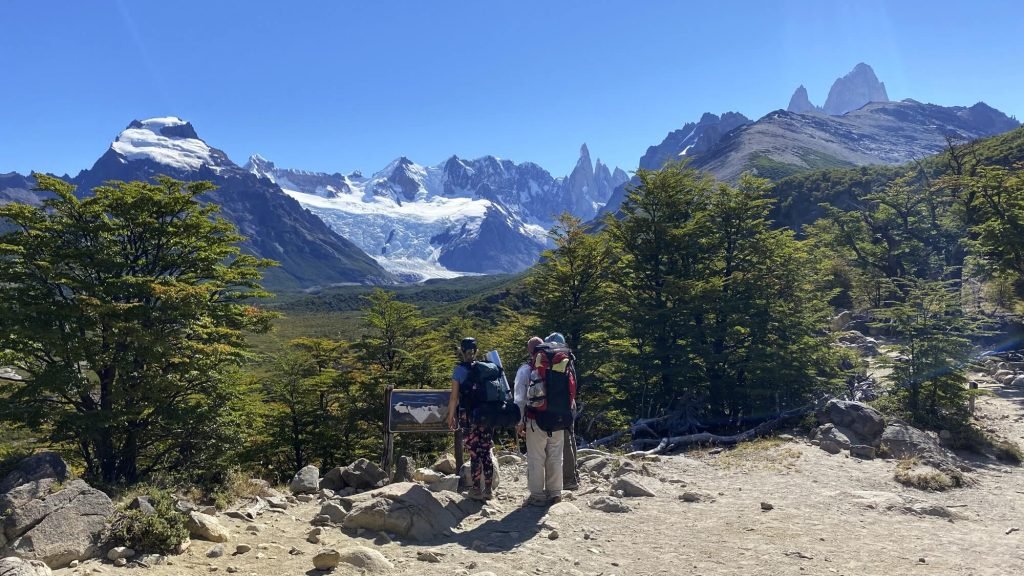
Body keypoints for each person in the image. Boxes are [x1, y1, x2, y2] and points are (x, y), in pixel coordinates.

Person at [514, 336, 574, 506]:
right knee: (555, 455)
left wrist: (519, 422)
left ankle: (537, 495)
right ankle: (555, 493)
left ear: (530, 351)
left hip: (536, 419)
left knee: (536, 457)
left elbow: (520, 399)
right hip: (559, 418)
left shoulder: (526, 370)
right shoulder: (560, 366)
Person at [446, 337, 495, 501]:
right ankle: (488, 489)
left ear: (461, 351)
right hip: (487, 415)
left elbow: (454, 397)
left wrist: (451, 416)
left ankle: (475, 489)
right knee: (486, 451)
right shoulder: (486, 368)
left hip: (468, 417)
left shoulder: (459, 370)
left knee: (475, 453)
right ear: (476, 351)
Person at [546, 332, 580, 490]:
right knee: (570, 438)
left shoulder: (558, 361)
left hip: (562, 406)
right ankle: (574, 474)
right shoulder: (569, 359)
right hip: (570, 404)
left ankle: (569, 479)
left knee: (565, 441)